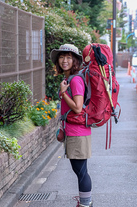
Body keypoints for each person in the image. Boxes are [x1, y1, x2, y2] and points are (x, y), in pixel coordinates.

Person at [50, 44, 93, 207]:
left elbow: (78, 107)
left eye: (69, 57)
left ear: (75, 60)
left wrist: (62, 93)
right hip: (74, 132)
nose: (64, 60)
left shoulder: (75, 80)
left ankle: (85, 204)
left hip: (78, 133)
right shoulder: (68, 79)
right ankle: (86, 202)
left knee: (81, 172)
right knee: (80, 171)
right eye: (61, 57)